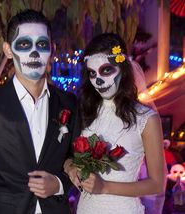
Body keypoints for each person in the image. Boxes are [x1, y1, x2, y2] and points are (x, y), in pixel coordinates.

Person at [0, 9, 80, 214]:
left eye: (42, 45)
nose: (34, 53)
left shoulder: (68, 103)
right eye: (24, 44)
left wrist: (59, 184)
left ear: (51, 49)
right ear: (8, 50)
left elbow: (77, 160)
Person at [64, 33, 166, 214]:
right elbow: (68, 155)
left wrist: (105, 187)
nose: (99, 80)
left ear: (123, 68)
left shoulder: (146, 118)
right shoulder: (85, 112)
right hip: (86, 209)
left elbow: (157, 184)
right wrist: (71, 166)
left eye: (106, 70)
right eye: (92, 73)